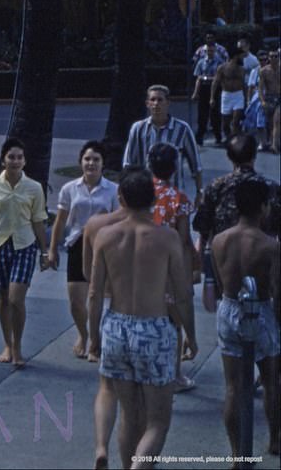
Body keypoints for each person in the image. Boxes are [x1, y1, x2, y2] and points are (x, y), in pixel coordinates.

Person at [88, 168, 197, 470]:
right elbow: (182, 292)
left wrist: (93, 336)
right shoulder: (167, 238)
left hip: (117, 326)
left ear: (120, 197)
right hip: (154, 329)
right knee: (157, 421)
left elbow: (95, 293)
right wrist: (190, 333)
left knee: (129, 415)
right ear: (153, 200)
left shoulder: (106, 236)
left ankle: (110, 456)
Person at [210, 178, 280, 458]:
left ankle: (237, 454)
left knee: (234, 387)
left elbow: (218, 280)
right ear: (263, 208)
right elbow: (277, 290)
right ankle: (275, 439)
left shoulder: (219, 241)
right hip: (261, 308)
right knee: (272, 380)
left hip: (229, 307)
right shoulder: (270, 246)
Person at [0, 138, 52, 368]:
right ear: (3, 160)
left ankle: (18, 347)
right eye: (11, 157)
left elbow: (38, 221)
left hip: (25, 246)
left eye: (19, 157)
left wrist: (44, 252)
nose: (15, 161)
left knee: (17, 298)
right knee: (3, 297)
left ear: (24, 161)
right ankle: (8, 343)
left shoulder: (34, 188)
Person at [49, 140, 118, 359]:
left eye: (96, 159)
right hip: (77, 245)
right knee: (76, 301)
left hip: (103, 247)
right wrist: (52, 250)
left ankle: (96, 343)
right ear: (81, 162)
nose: (91, 163)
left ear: (103, 164)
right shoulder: (70, 189)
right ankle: (83, 333)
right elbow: (60, 222)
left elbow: (118, 221)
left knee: (97, 297)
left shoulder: (113, 190)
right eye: (87, 159)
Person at [194, 134, 281, 304]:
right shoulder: (270, 188)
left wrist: (203, 262)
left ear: (229, 157)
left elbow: (202, 226)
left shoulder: (216, 187)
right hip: (262, 261)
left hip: (226, 261)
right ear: (254, 156)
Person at [81, 207, 129, 470]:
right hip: (145, 315)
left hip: (113, 316)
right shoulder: (160, 234)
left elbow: (92, 285)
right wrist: (187, 332)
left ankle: (101, 446)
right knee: (138, 406)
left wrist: (93, 338)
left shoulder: (98, 227)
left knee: (108, 389)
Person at [148, 144, 199, 393]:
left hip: (142, 264)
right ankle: (175, 374)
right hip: (168, 268)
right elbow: (184, 239)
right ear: (175, 167)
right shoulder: (178, 198)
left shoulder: (141, 193)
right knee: (173, 322)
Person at [122, 85, 202, 197]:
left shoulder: (183, 129)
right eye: (152, 100)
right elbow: (128, 164)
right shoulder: (138, 129)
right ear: (147, 104)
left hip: (174, 195)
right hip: (145, 194)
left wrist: (199, 191)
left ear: (168, 102)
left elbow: (196, 165)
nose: (156, 103)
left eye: (160, 100)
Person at [191, 42, 225, 146]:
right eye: (208, 51)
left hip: (215, 88)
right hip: (204, 89)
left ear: (215, 51)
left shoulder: (220, 62)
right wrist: (195, 93)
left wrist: (206, 77)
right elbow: (198, 78)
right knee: (202, 115)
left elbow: (219, 78)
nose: (209, 52)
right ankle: (199, 137)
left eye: (211, 50)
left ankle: (218, 137)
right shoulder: (201, 62)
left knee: (215, 114)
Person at [211, 48, 249, 141]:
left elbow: (244, 85)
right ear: (236, 56)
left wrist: (247, 98)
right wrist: (212, 98)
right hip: (226, 95)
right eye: (241, 56)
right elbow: (215, 82)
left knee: (236, 120)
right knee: (225, 124)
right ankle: (229, 139)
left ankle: (236, 139)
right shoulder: (222, 68)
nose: (242, 58)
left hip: (238, 95)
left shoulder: (242, 69)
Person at [259, 49, 280, 153]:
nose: (274, 59)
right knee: (270, 123)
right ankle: (271, 141)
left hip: (279, 98)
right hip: (269, 98)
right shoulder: (264, 71)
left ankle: (274, 145)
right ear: (269, 58)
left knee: (277, 120)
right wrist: (262, 101)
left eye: (276, 56)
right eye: (272, 56)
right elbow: (260, 88)